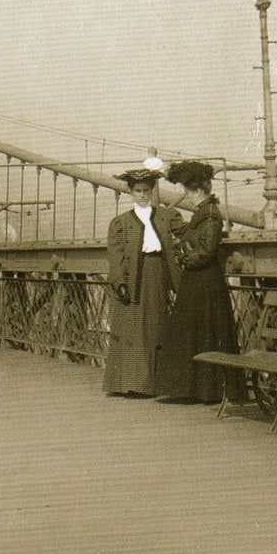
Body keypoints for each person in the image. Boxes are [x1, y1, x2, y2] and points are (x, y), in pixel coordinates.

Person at [157, 160, 247, 404]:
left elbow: (205, 251)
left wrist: (183, 257)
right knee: (200, 332)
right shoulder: (204, 214)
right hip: (200, 282)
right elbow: (195, 241)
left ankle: (205, 390)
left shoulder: (209, 216)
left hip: (204, 282)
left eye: (187, 190)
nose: (186, 196)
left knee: (202, 331)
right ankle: (200, 389)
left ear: (196, 190)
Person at [104, 168, 183, 397]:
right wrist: (119, 282)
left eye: (146, 190)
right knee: (132, 332)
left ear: (152, 191)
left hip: (157, 274)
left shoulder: (166, 216)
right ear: (131, 192)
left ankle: (154, 383)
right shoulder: (120, 223)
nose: (142, 195)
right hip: (132, 279)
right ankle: (132, 384)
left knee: (155, 327)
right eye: (137, 191)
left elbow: (186, 234)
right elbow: (115, 255)